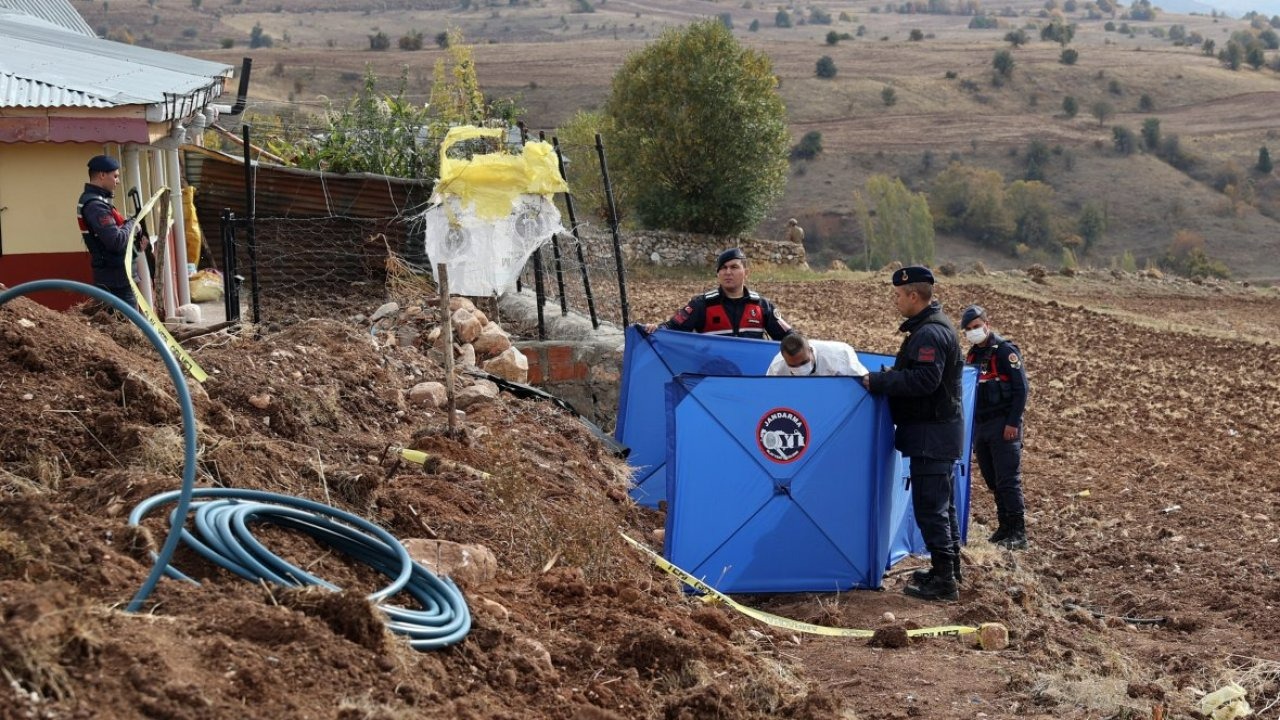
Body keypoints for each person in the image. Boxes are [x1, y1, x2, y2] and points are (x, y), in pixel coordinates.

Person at [861, 266, 964, 601]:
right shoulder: (929, 328)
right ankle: (948, 570)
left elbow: (925, 380)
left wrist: (881, 381)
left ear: (914, 296)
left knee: (931, 508)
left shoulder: (929, 333)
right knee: (942, 506)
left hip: (932, 435)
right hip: (936, 432)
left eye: (899, 295)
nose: (896, 300)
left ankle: (945, 582)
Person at [960, 304, 1029, 550]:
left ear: (986, 325)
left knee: (1008, 479)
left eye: (977, 326)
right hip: (982, 426)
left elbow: (1021, 389)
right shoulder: (972, 356)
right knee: (993, 479)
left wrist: (1012, 423)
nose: (973, 331)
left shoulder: (1005, 351)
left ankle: (1018, 532)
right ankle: (1004, 527)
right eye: (969, 329)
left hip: (1003, 425)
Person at [643, 248, 793, 340]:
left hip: (751, 377)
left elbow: (789, 337)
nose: (728, 272)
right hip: (713, 376)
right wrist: (654, 329)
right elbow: (672, 328)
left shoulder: (762, 306)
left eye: (734, 267)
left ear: (746, 272)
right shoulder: (701, 305)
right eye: (723, 268)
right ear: (718, 274)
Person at [77, 155, 145, 309]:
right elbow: (115, 241)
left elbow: (116, 234)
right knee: (128, 323)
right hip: (115, 283)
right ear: (102, 175)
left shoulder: (98, 202)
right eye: (115, 176)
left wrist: (135, 239)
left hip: (117, 279)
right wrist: (133, 224)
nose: (118, 181)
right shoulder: (96, 206)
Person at [767, 332, 868, 377]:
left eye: (804, 362)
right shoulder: (777, 367)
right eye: (793, 366)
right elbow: (769, 392)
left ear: (810, 350)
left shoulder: (840, 355)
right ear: (784, 360)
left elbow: (861, 382)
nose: (800, 369)